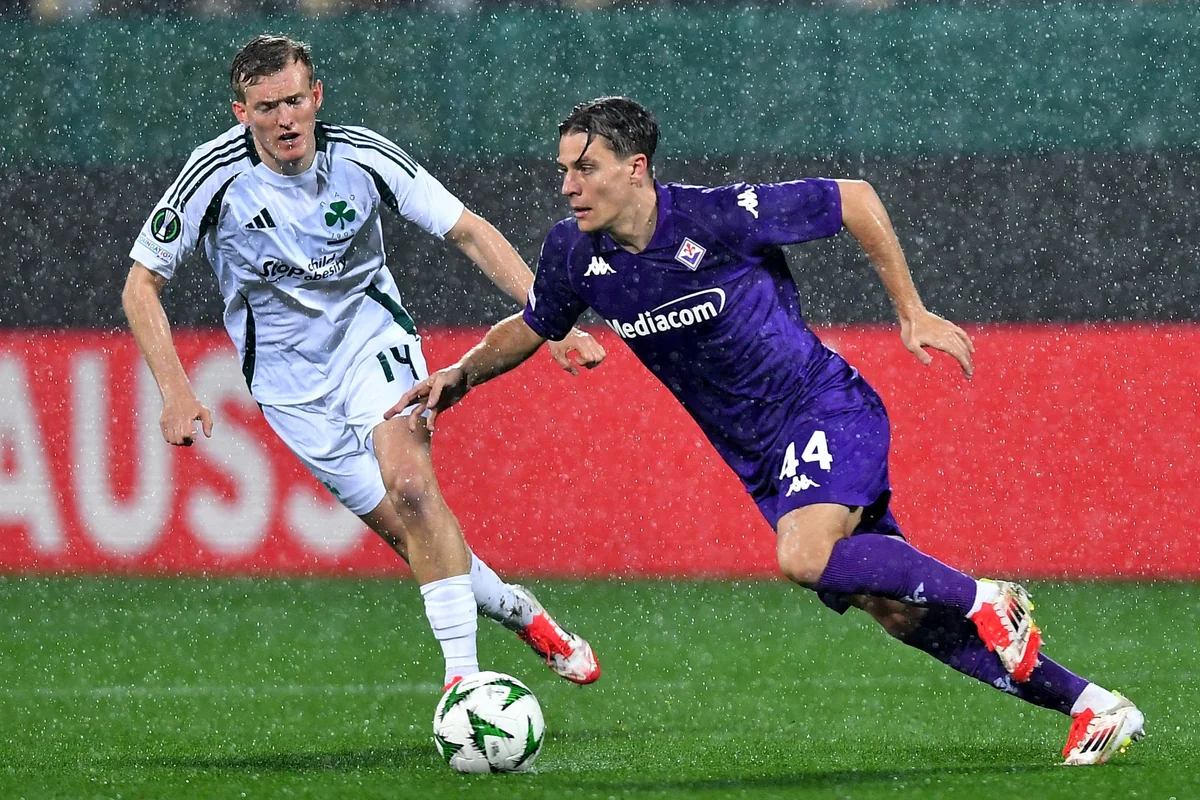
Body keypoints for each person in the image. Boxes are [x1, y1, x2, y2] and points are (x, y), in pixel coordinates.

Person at [392, 96, 1145, 764]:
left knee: (804, 557)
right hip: (760, 459)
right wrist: (461, 374)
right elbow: (533, 324)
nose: (568, 186)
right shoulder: (573, 253)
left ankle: (985, 596)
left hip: (823, 409)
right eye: (563, 170)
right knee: (896, 610)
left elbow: (854, 199)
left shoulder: (717, 217)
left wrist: (911, 311)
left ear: (636, 167)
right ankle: (1093, 706)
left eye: (585, 168)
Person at [122, 35, 606, 691]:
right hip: (289, 387)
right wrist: (175, 391)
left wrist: (550, 321)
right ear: (241, 113)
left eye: (296, 101)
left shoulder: (363, 157)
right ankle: (521, 613)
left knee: (412, 487)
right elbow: (141, 285)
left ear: (317, 96)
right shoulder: (213, 176)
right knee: (415, 537)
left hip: (371, 342)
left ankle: (462, 683)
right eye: (267, 108)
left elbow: (468, 229)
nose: (286, 119)